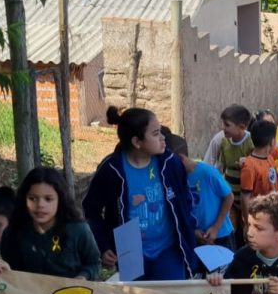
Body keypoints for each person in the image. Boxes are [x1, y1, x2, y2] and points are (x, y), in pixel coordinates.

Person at [84, 106, 198, 280]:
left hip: (169, 250)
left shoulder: (170, 163)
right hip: (129, 251)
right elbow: (91, 209)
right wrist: (104, 245)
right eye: (155, 133)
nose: (163, 138)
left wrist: (190, 226)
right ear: (137, 142)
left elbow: (185, 198)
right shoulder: (111, 170)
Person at [165, 134, 235, 250]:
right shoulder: (175, 179)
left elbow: (229, 197)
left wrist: (216, 227)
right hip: (199, 238)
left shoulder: (207, 173)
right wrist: (193, 231)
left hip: (221, 234)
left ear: (181, 158)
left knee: (226, 267)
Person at [203, 105, 254, 239]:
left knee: (248, 229)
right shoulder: (223, 141)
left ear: (241, 127)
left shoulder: (250, 141)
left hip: (247, 196)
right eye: (223, 124)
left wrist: (248, 160)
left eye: (227, 125)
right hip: (228, 194)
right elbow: (219, 166)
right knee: (230, 228)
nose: (223, 128)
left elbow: (259, 161)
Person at [238, 118, 278, 225]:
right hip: (259, 217)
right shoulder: (249, 165)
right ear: (272, 141)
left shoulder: (270, 154)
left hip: (274, 212)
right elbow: (245, 197)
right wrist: (248, 223)